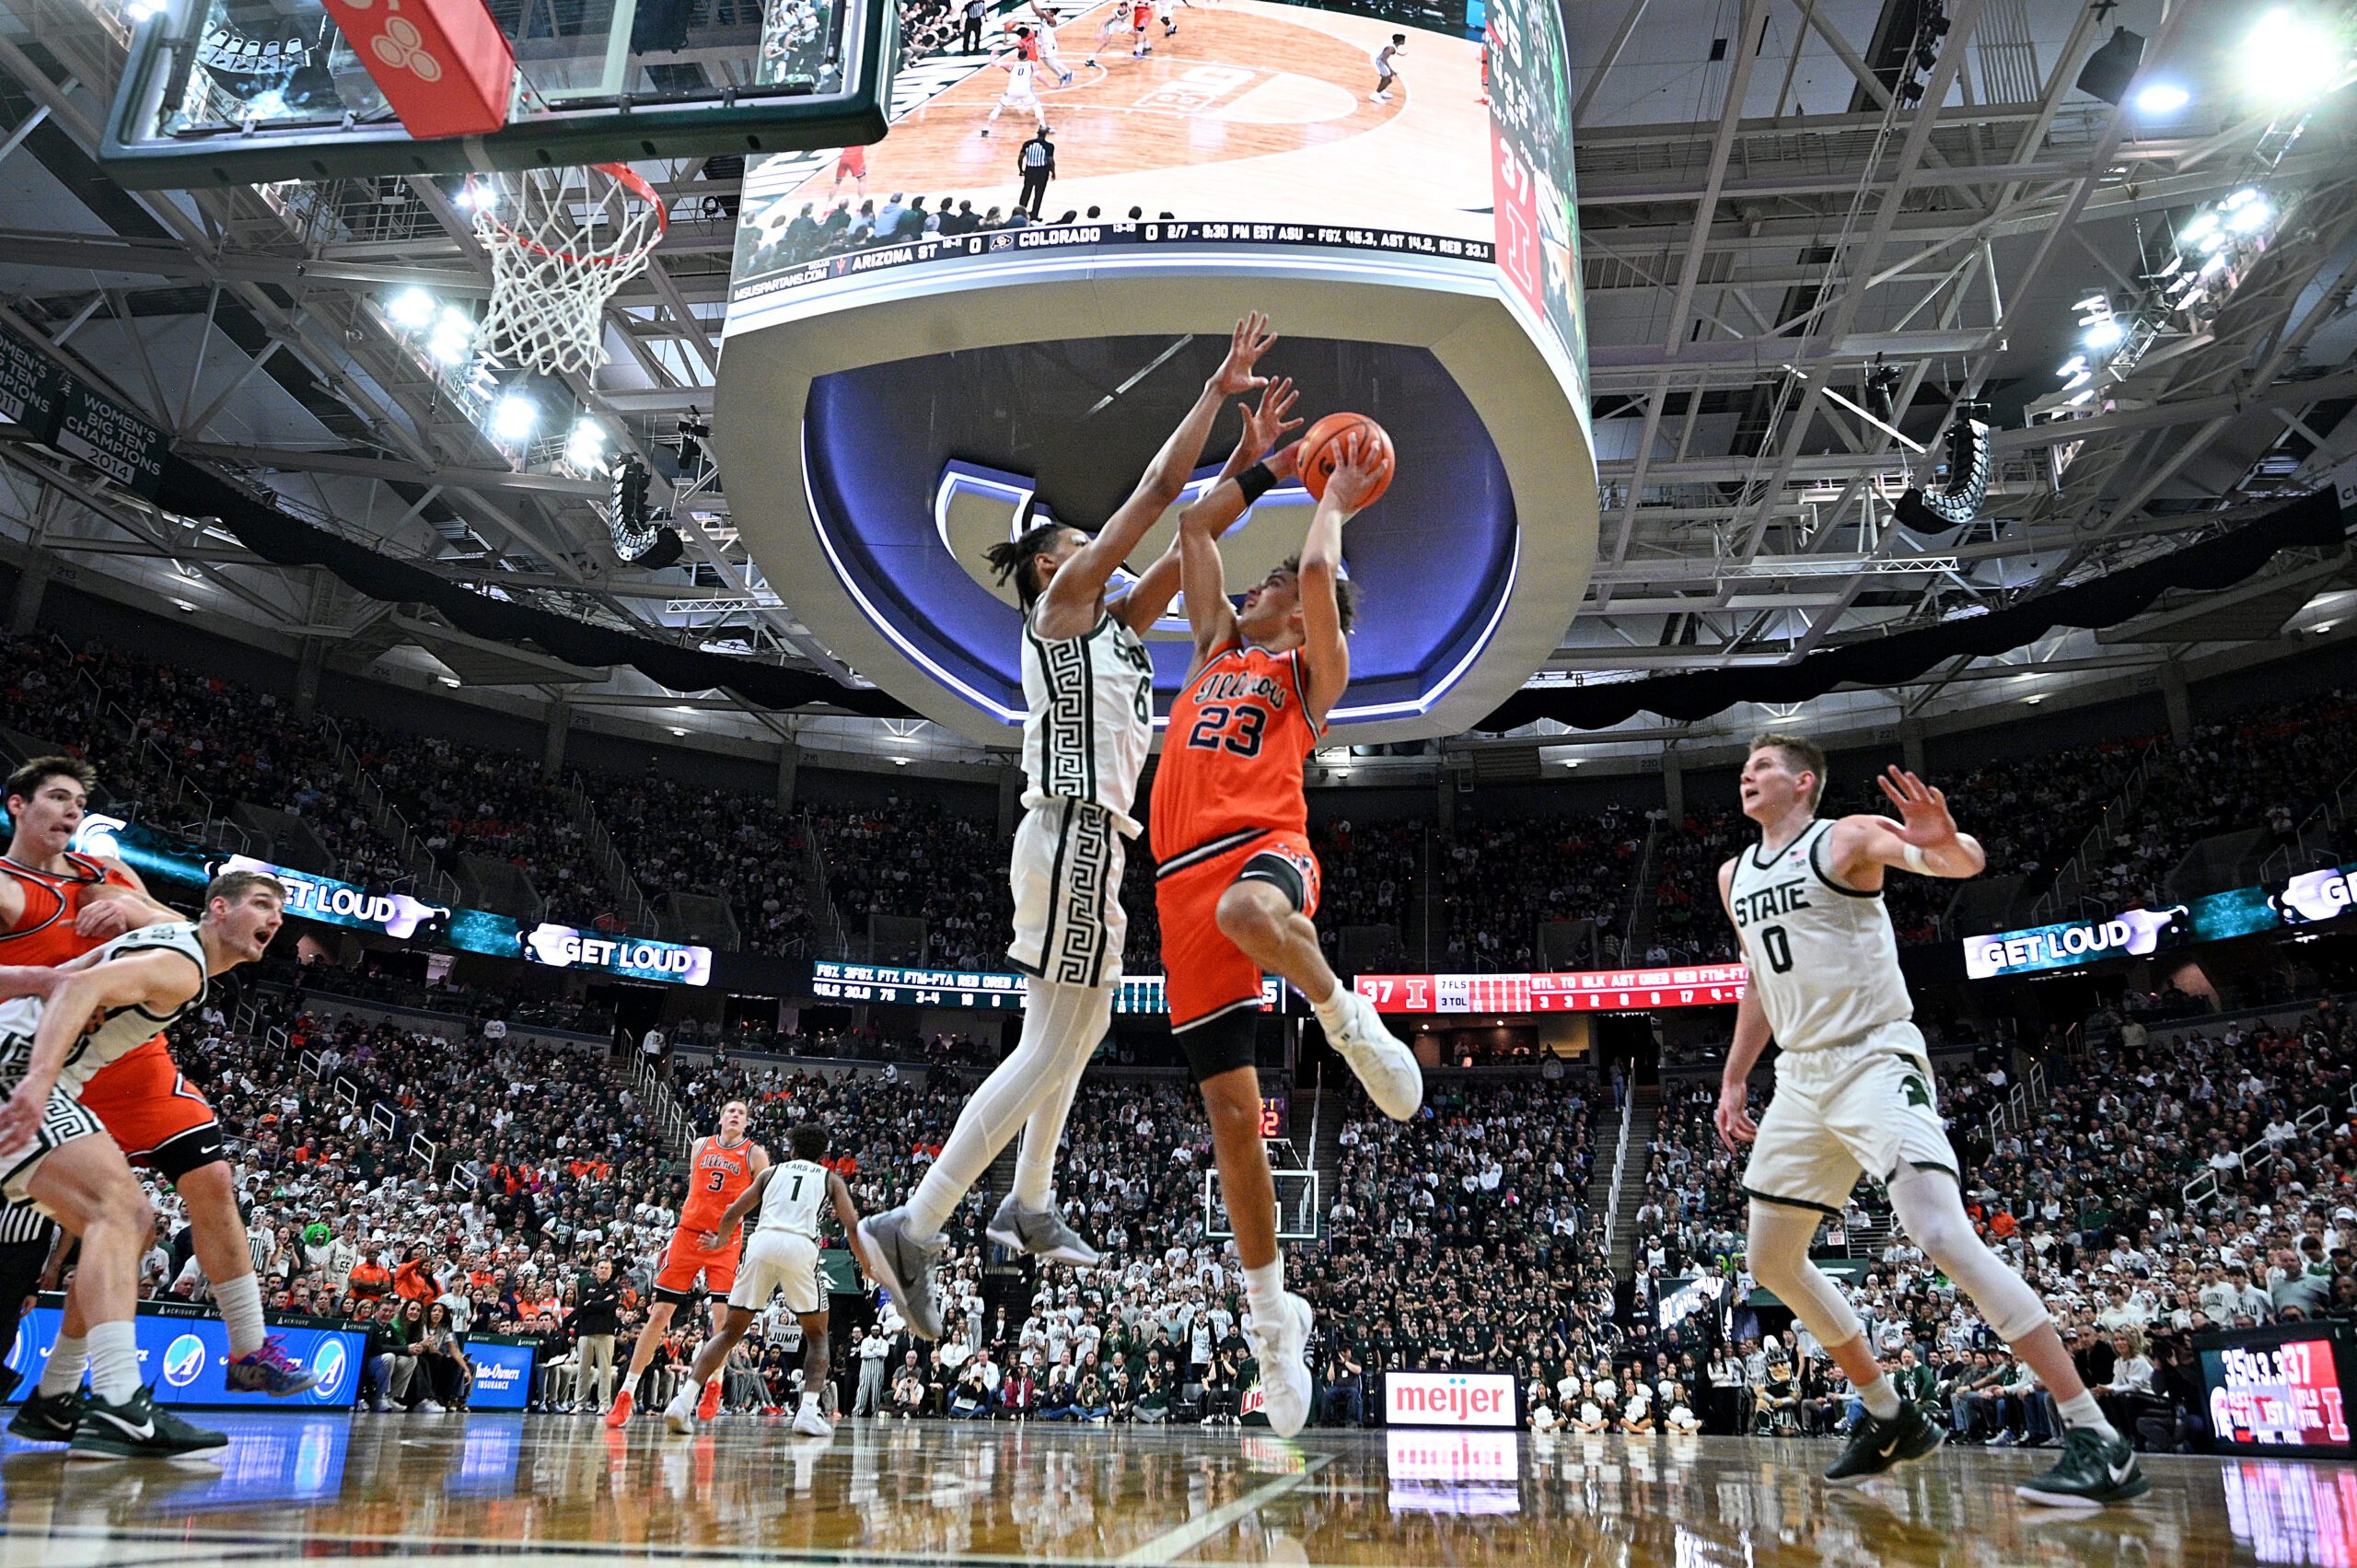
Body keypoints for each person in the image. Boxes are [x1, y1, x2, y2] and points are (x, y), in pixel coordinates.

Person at [859, 315, 1293, 1336]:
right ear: (1055, 569)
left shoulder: (1114, 629)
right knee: (1053, 1041)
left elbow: (1189, 536)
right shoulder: (1057, 613)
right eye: (1073, 547)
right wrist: (1213, 394)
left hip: (1089, 841)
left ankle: (1030, 1199)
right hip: (1071, 828)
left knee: (1082, 1026)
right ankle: (915, 1225)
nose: (1089, 555)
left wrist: (1245, 466)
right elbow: (1151, 497)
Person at [1713, 735, 2147, 1506]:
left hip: (1875, 1055)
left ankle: (2098, 1434)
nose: (1749, 773)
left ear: (1804, 781)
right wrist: (1736, 1073)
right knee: (1772, 1263)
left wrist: (1949, 843)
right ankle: (1889, 1415)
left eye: (1766, 765)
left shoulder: (1843, 836)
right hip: (1802, 1077)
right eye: (1747, 766)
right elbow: (1759, 978)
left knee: (1942, 1233)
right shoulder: (1733, 873)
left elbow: (1953, 860)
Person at [1149, 428, 1423, 1437]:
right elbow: (1190, 523)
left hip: (1266, 846)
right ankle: (1274, 1321)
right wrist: (1260, 459)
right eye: (1257, 584)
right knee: (1232, 1122)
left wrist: (1336, 495)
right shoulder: (1217, 648)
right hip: (1175, 883)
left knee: (1248, 911)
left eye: (1275, 589)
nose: (1262, 586)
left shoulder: (1315, 673)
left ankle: (1350, 1022)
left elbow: (1313, 564)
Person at [0, 760, 319, 1433]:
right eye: (262, 904)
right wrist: (37, 1026)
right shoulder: (20, 892)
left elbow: (159, 923)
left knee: (133, 1218)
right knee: (112, 1218)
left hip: (84, 1058)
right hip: (34, 1064)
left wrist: (129, 912)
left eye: (79, 801)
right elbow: (82, 984)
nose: (275, 919)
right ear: (17, 806)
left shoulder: (105, 877)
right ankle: (112, 1401)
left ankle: (65, 1395)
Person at [664, 1122, 867, 1438]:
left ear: (792, 1150)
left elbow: (733, 1211)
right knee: (817, 1336)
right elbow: (852, 1226)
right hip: (800, 1246)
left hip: (762, 1244)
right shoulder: (830, 1179)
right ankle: (807, 1411)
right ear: (824, 1154)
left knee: (730, 1331)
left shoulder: (770, 1174)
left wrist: (719, 1241)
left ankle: (682, 1401)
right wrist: (866, 1265)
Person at [609, 1100, 768, 1427]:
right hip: (688, 1235)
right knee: (659, 1315)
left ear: (747, 1122)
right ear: (721, 1117)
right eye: (730, 1111)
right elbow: (698, 1193)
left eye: (741, 1112)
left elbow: (762, 1197)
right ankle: (626, 1393)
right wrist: (675, 1239)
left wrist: (727, 1232)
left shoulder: (754, 1154)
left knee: (722, 1321)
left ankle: (714, 1383)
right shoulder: (700, 1145)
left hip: (725, 1240)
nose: (735, 1115)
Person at [981, 51, 1047, 137]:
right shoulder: (1032, 64)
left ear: (1018, 56)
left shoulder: (1011, 64)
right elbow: (1039, 76)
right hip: (1025, 91)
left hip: (1011, 91)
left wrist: (993, 54)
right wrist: (1050, 84)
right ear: (1027, 56)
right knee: (1036, 105)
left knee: (999, 107)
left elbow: (992, 63)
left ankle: (987, 128)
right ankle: (1043, 125)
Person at [1016, 124, 1056, 219]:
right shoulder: (1049, 146)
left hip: (1029, 170)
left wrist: (1021, 170)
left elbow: (1020, 158)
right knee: (1038, 194)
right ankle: (1034, 215)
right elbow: (1050, 161)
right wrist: (1053, 172)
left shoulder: (1027, 143)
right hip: (1042, 172)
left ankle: (1020, 213)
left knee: (1026, 192)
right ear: (1046, 134)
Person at [1372, 33, 1403, 102]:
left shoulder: (1393, 44)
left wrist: (1399, 53)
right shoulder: (1391, 48)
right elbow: (1383, 58)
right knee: (1387, 79)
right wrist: (1391, 70)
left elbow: (1389, 50)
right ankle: (1375, 95)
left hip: (1379, 59)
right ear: (1401, 41)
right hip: (1378, 61)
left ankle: (1382, 91)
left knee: (1389, 78)